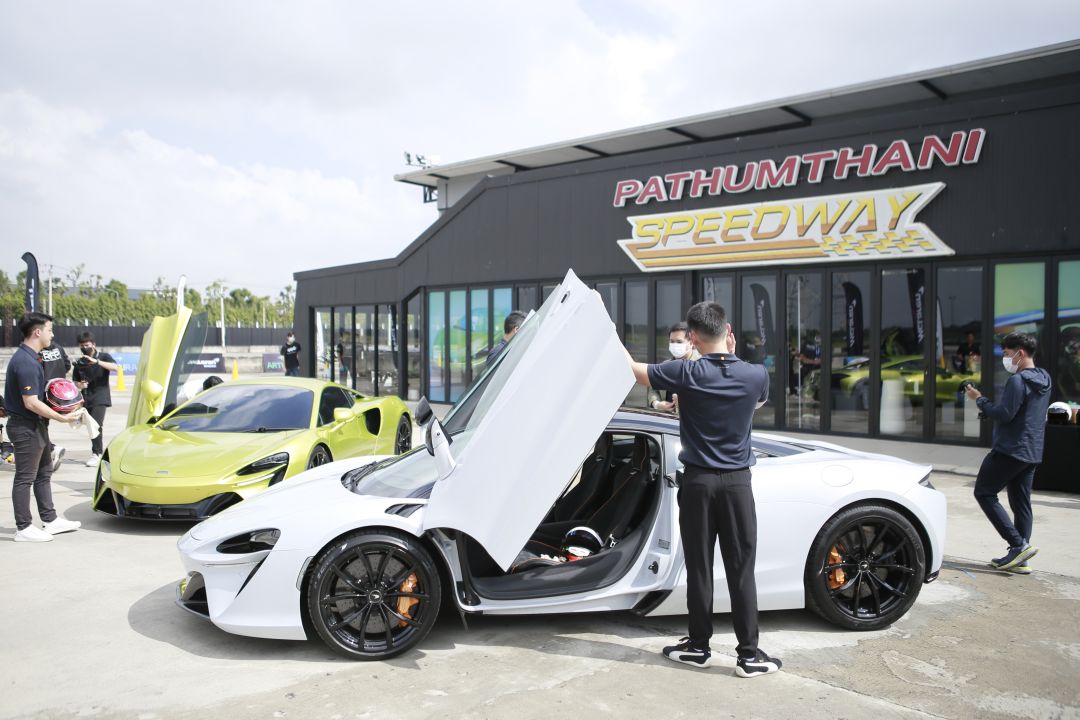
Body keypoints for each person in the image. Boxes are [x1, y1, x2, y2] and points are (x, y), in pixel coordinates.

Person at [625, 302, 781, 678]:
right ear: (729, 333)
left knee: (699, 567)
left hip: (698, 484)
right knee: (741, 570)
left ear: (692, 338)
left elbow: (631, 369)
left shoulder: (685, 372)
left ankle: (698, 647)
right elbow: (756, 403)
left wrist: (599, 317)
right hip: (738, 485)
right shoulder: (756, 375)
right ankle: (749, 656)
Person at [964, 332, 1051, 573]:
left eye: (1006, 353)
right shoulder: (1045, 378)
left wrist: (980, 399)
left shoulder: (1017, 381)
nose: (1005, 358)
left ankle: (1018, 545)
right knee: (1021, 504)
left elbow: (1004, 414)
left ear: (1020, 353)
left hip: (1010, 449)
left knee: (984, 492)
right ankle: (1020, 559)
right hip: (1032, 451)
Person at [4, 312, 81, 542]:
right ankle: (23, 527)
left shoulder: (33, 358)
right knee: (25, 477)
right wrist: (62, 418)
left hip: (36, 426)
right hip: (25, 427)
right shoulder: (25, 362)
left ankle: (50, 520)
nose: (52, 335)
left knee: (44, 472)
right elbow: (31, 402)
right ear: (37, 332)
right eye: (50, 330)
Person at [71, 332, 119, 467]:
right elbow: (75, 381)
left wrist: (96, 362)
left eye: (87, 345)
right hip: (86, 397)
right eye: (82, 346)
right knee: (89, 425)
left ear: (93, 344)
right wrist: (80, 385)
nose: (84, 348)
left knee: (96, 424)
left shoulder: (103, 356)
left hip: (101, 396)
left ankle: (96, 453)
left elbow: (116, 367)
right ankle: (97, 452)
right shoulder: (80, 361)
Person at [647, 322, 700, 413]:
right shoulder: (666, 365)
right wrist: (657, 404)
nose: (675, 345)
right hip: (667, 419)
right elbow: (653, 388)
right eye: (672, 341)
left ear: (691, 343)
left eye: (679, 342)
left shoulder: (701, 365)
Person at [39, 339, 71, 472]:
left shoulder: (37, 349)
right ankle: (47, 456)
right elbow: (67, 365)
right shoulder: (58, 347)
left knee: (37, 427)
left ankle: (52, 449)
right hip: (57, 394)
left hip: (41, 394)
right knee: (42, 426)